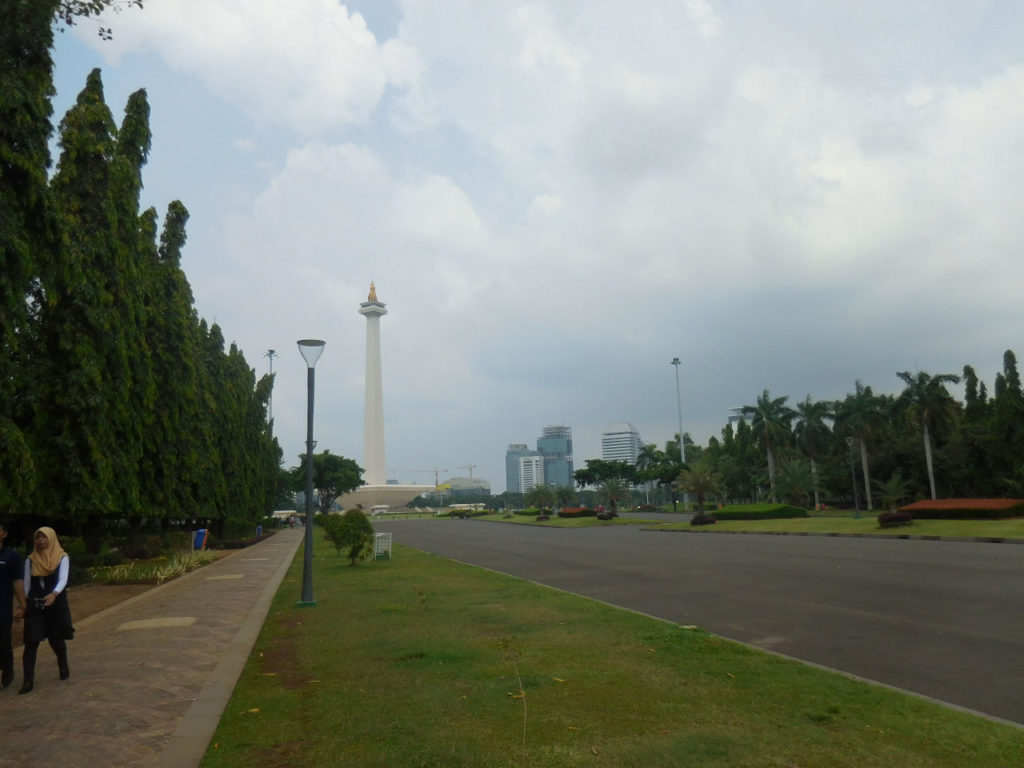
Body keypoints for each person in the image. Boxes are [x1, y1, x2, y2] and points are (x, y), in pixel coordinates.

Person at [19, 527, 74, 695]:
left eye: (44, 537)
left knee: (56, 639)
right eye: (38, 538)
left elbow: (63, 579)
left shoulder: (61, 557)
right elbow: (26, 586)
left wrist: (54, 593)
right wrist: (22, 605)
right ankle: (28, 679)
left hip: (54, 605)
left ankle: (63, 664)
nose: (41, 541)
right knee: (31, 642)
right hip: (35, 605)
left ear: (51, 538)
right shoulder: (30, 560)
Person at [0, 522, 27, 689]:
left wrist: (22, 604)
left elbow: (17, 582)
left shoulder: (12, 557)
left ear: (4, 534)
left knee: (3, 641)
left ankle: (7, 668)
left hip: (2, 608)